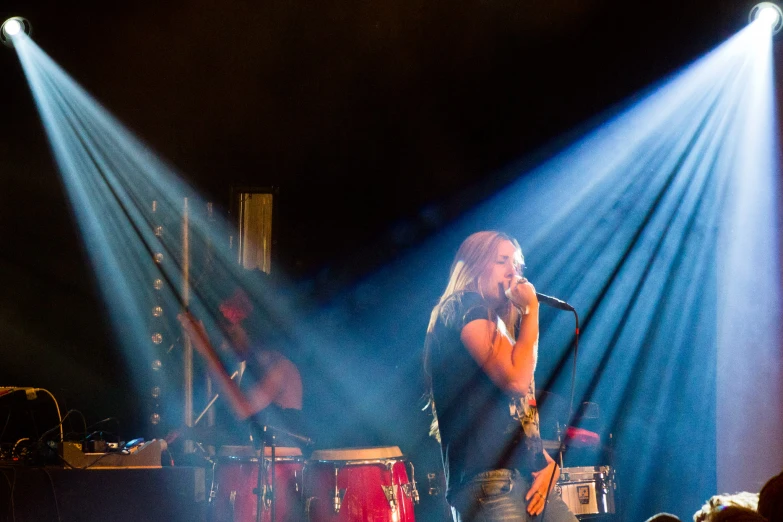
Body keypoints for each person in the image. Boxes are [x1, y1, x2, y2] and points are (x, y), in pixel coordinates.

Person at [424, 231, 577, 521]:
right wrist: (531, 311)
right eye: (501, 261)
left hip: (524, 481)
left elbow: (515, 417)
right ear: (474, 267)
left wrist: (549, 467)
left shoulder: (498, 328)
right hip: (488, 483)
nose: (513, 272)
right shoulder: (464, 307)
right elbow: (517, 380)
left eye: (517, 265)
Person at [178, 283, 304, 447]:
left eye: (231, 334)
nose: (226, 344)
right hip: (260, 468)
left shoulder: (281, 367)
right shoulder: (251, 371)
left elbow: (243, 409)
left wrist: (204, 347)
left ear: (251, 331)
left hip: (282, 470)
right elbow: (241, 434)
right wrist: (191, 433)